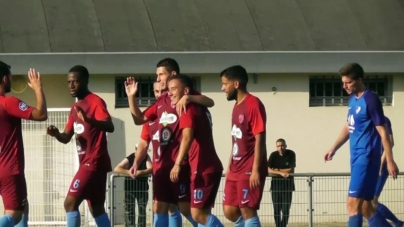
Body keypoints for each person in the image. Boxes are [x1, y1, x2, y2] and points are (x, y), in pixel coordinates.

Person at [126, 58, 215, 227]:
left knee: (186, 209)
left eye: (161, 74)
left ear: (173, 74)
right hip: (162, 167)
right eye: (157, 75)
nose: (158, 79)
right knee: (160, 207)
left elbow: (210, 102)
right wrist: (131, 97)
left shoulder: (184, 97)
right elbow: (139, 119)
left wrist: (189, 98)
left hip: (180, 164)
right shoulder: (162, 101)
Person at [324, 63, 398, 227]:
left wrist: (390, 161)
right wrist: (333, 148)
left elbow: (384, 133)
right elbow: (348, 126)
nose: (344, 86)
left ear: (359, 80)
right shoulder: (353, 100)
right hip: (357, 157)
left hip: (366, 157)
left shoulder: (370, 99)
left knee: (352, 204)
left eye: (348, 82)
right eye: (343, 82)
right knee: (366, 207)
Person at [46, 65, 114, 227]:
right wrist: (56, 134)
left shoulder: (95, 102)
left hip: (94, 161)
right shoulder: (75, 108)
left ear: (85, 81)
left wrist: (90, 120)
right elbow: (66, 137)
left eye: (75, 82)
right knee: (96, 208)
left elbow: (110, 126)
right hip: (91, 164)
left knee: (69, 204)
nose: (71, 85)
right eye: (69, 82)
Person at [167, 74, 224, 227]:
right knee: (201, 213)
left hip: (204, 167)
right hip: (206, 166)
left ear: (186, 90)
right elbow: (209, 101)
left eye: (173, 89)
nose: (169, 93)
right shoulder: (198, 104)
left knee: (197, 214)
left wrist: (177, 163)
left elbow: (187, 137)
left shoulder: (188, 108)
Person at [0, 63, 48, 227]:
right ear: (5, 79)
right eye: (11, 77)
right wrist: (37, 88)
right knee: (14, 214)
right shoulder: (8, 102)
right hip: (9, 169)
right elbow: (41, 114)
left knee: (23, 205)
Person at [220, 65, 267, 227]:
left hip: (249, 167)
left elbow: (260, 138)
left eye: (225, 84)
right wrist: (229, 166)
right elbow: (236, 141)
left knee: (247, 210)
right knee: (229, 210)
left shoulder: (253, 104)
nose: (222, 88)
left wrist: (255, 170)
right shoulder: (236, 107)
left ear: (236, 84)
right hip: (235, 168)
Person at [135, 80, 184, 227]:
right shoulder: (150, 117)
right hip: (159, 169)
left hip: (178, 166)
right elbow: (143, 143)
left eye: (163, 91)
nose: (160, 95)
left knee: (183, 209)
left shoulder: (177, 108)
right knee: (163, 207)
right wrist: (136, 163)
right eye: (156, 92)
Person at [373, 116, 403, 227]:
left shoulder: (383, 120)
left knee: (372, 201)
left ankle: (397, 223)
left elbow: (390, 142)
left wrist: (381, 162)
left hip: (381, 166)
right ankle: (398, 223)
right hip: (371, 166)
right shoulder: (366, 119)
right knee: (367, 202)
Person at [114, 144, 152, 227]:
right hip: (130, 188)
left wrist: (141, 173)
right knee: (129, 210)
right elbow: (117, 168)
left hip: (142, 188)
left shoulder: (146, 157)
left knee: (142, 210)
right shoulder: (130, 158)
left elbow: (151, 168)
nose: (145, 153)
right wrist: (129, 172)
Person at [268, 139, 296, 227]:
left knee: (285, 209)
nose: (281, 148)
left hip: (287, 186)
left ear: (286, 145)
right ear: (276, 147)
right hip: (275, 187)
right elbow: (268, 170)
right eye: (278, 146)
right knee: (276, 210)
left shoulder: (291, 154)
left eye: (282, 145)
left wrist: (276, 170)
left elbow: (291, 170)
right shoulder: (273, 155)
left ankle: (283, 225)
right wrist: (281, 173)